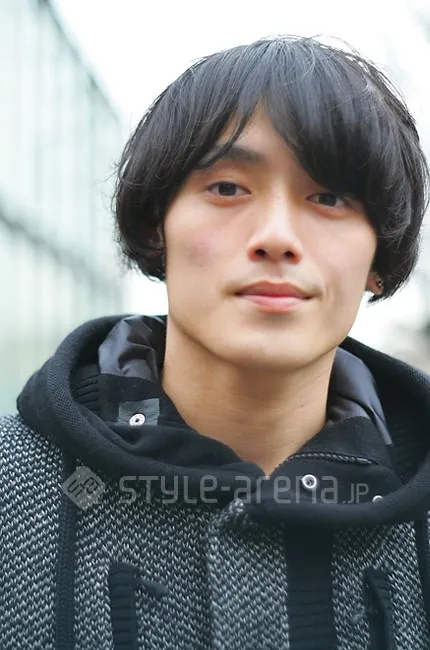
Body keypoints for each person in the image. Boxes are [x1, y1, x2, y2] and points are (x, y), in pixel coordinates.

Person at [1, 34, 430, 650]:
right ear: (156, 225)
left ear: (378, 258)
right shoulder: (13, 490)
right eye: (227, 188)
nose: (276, 237)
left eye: (329, 197)